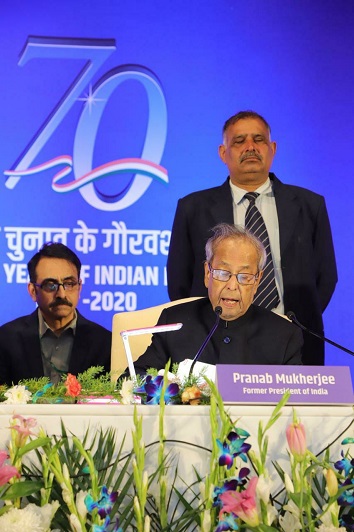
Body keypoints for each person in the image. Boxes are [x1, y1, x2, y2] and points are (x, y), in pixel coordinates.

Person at [166, 110, 337, 365]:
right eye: (239, 141)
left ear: (272, 148)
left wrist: (285, 323)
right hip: (213, 338)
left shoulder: (309, 205)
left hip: (292, 338)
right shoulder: (193, 207)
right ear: (223, 153)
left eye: (258, 139)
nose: (250, 147)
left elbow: (325, 277)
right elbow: (179, 282)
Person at [134, 224, 303, 374]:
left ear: (257, 281)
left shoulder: (284, 335)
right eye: (223, 273)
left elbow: (299, 399)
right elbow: (133, 380)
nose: (232, 285)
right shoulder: (174, 322)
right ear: (208, 274)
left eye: (244, 276)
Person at [0, 242, 112, 386]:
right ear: (33, 291)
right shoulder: (6, 339)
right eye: (50, 285)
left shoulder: (104, 343)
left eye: (69, 283)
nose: (61, 294)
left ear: (79, 287)